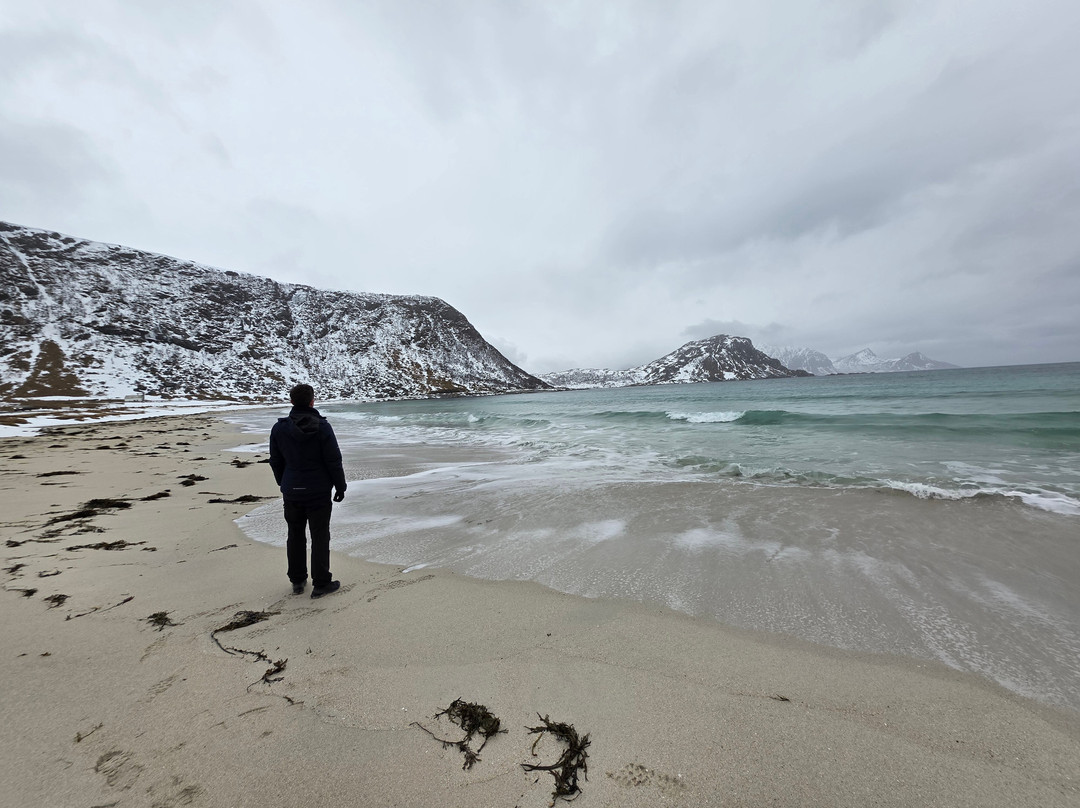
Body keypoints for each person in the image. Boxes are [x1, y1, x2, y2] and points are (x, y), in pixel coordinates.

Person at [268, 383, 347, 598]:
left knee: (295, 534)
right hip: (318, 490)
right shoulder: (322, 427)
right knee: (320, 535)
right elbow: (333, 460)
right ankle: (321, 583)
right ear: (312, 401)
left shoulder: (279, 428)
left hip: (292, 489)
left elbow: (275, 460)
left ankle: (297, 580)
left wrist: (283, 482)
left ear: (292, 402)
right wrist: (340, 486)